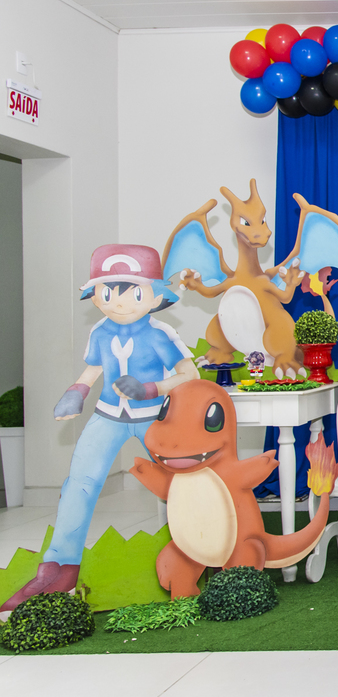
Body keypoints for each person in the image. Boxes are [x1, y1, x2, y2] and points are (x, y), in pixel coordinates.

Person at [1, 244, 198, 618]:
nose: (118, 303)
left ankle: (203, 548)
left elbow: (190, 374)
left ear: (156, 296)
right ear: (94, 296)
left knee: (183, 481)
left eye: (132, 293)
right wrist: (77, 392)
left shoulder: (161, 333)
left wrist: (151, 388)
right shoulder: (100, 331)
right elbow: (93, 369)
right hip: (107, 416)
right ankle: (59, 569)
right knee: (79, 484)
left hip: (155, 417)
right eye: (107, 293)